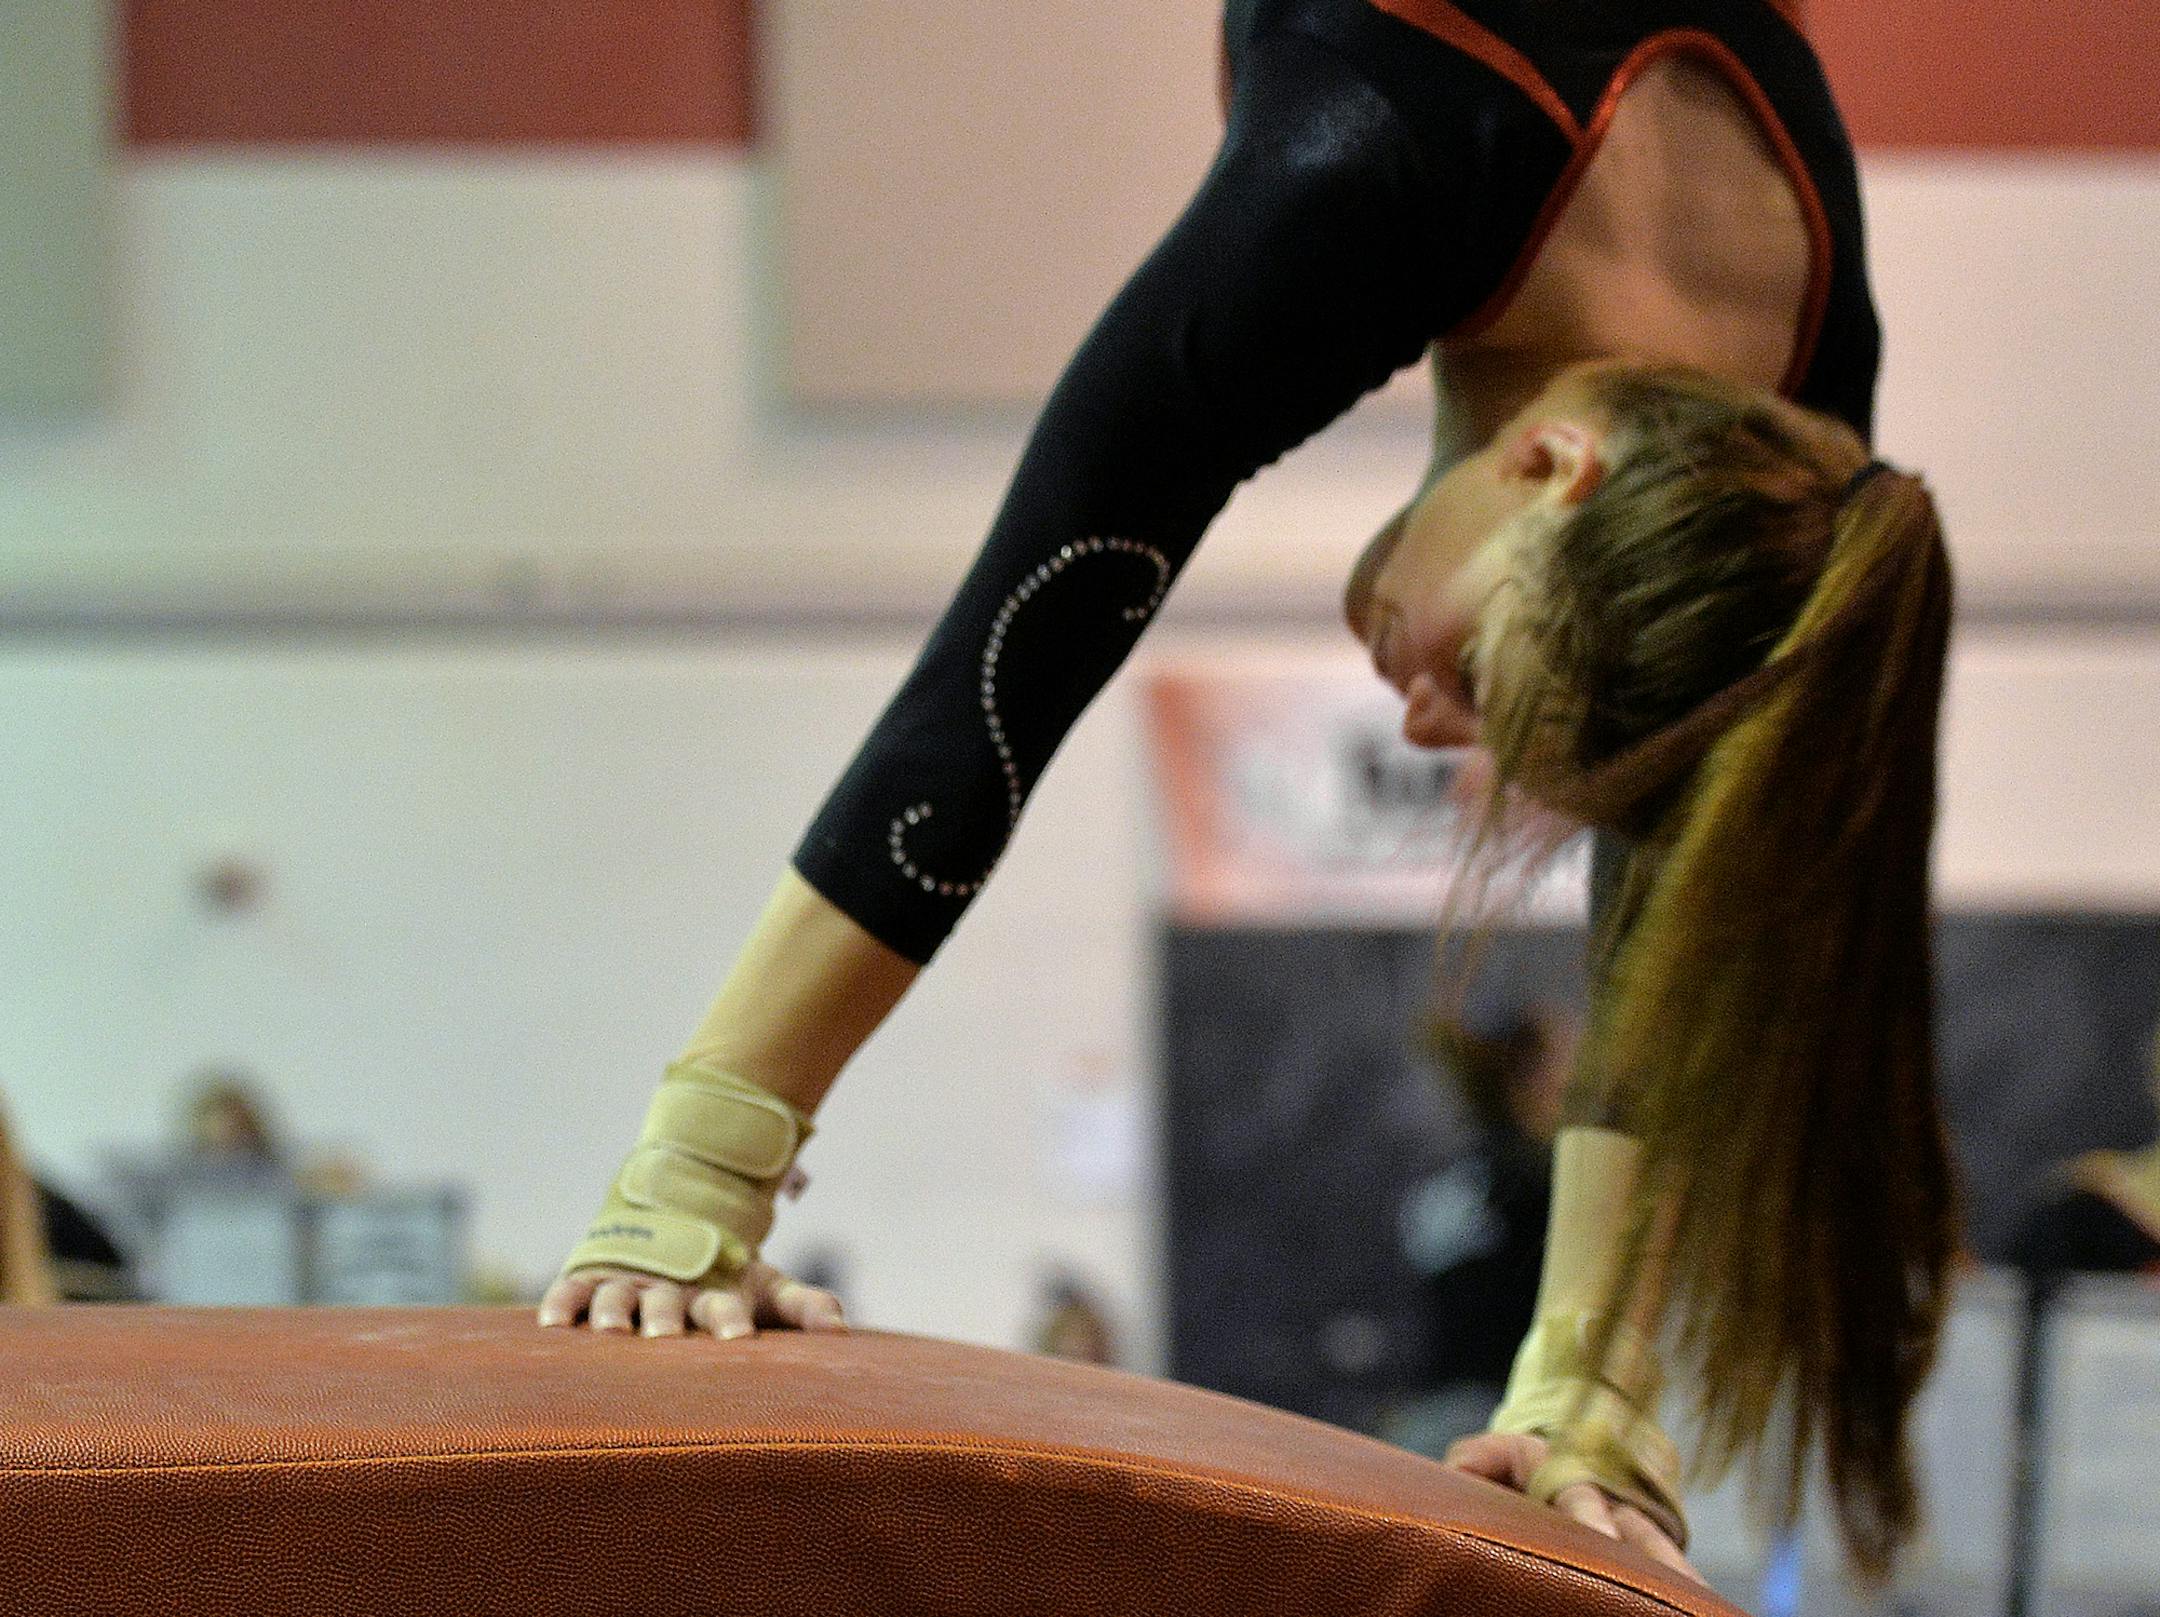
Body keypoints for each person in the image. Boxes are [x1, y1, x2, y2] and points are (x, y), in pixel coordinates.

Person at [539, 0, 1926, 1582]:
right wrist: (695, 1169)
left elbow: (1680, 904)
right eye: (1468, 681)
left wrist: (1595, 1389)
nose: (1417, 725)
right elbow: (1005, 669)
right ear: (1551, 468)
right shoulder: (1363, 174)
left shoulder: (1789, 435)